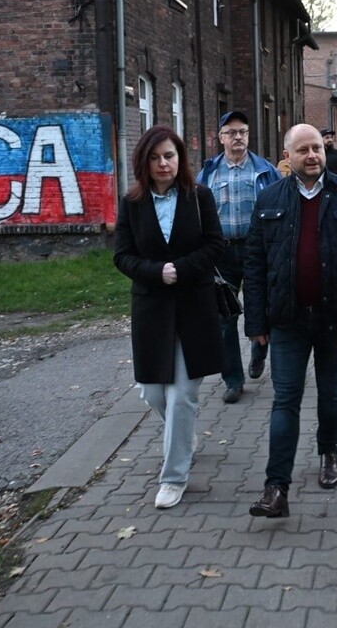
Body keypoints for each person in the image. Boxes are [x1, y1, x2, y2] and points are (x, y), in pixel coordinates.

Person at [243, 124, 337, 518]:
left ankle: (329, 450)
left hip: (333, 316)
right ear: (287, 155)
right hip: (287, 319)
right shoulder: (270, 198)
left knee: (330, 393)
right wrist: (256, 321)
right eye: (303, 150)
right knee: (285, 399)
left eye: (316, 149)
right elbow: (254, 262)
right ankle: (276, 488)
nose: (312, 156)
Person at [114, 125, 225, 509]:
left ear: (180, 159)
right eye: (156, 157)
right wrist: (155, 272)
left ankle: (174, 476)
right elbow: (122, 255)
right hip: (151, 308)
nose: (164, 163)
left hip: (194, 306)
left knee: (182, 396)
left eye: (170, 156)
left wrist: (181, 267)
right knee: (153, 392)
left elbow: (215, 244)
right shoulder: (131, 203)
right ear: (144, 161)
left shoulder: (200, 197)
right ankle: (183, 435)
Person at [198, 110, 280, 403]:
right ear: (220, 138)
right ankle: (232, 379)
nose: (238, 138)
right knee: (224, 317)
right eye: (231, 132)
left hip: (257, 250)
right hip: (221, 252)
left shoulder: (266, 170)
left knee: (264, 307)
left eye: (242, 132)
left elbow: (280, 209)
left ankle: (259, 351)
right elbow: (197, 215)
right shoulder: (208, 173)